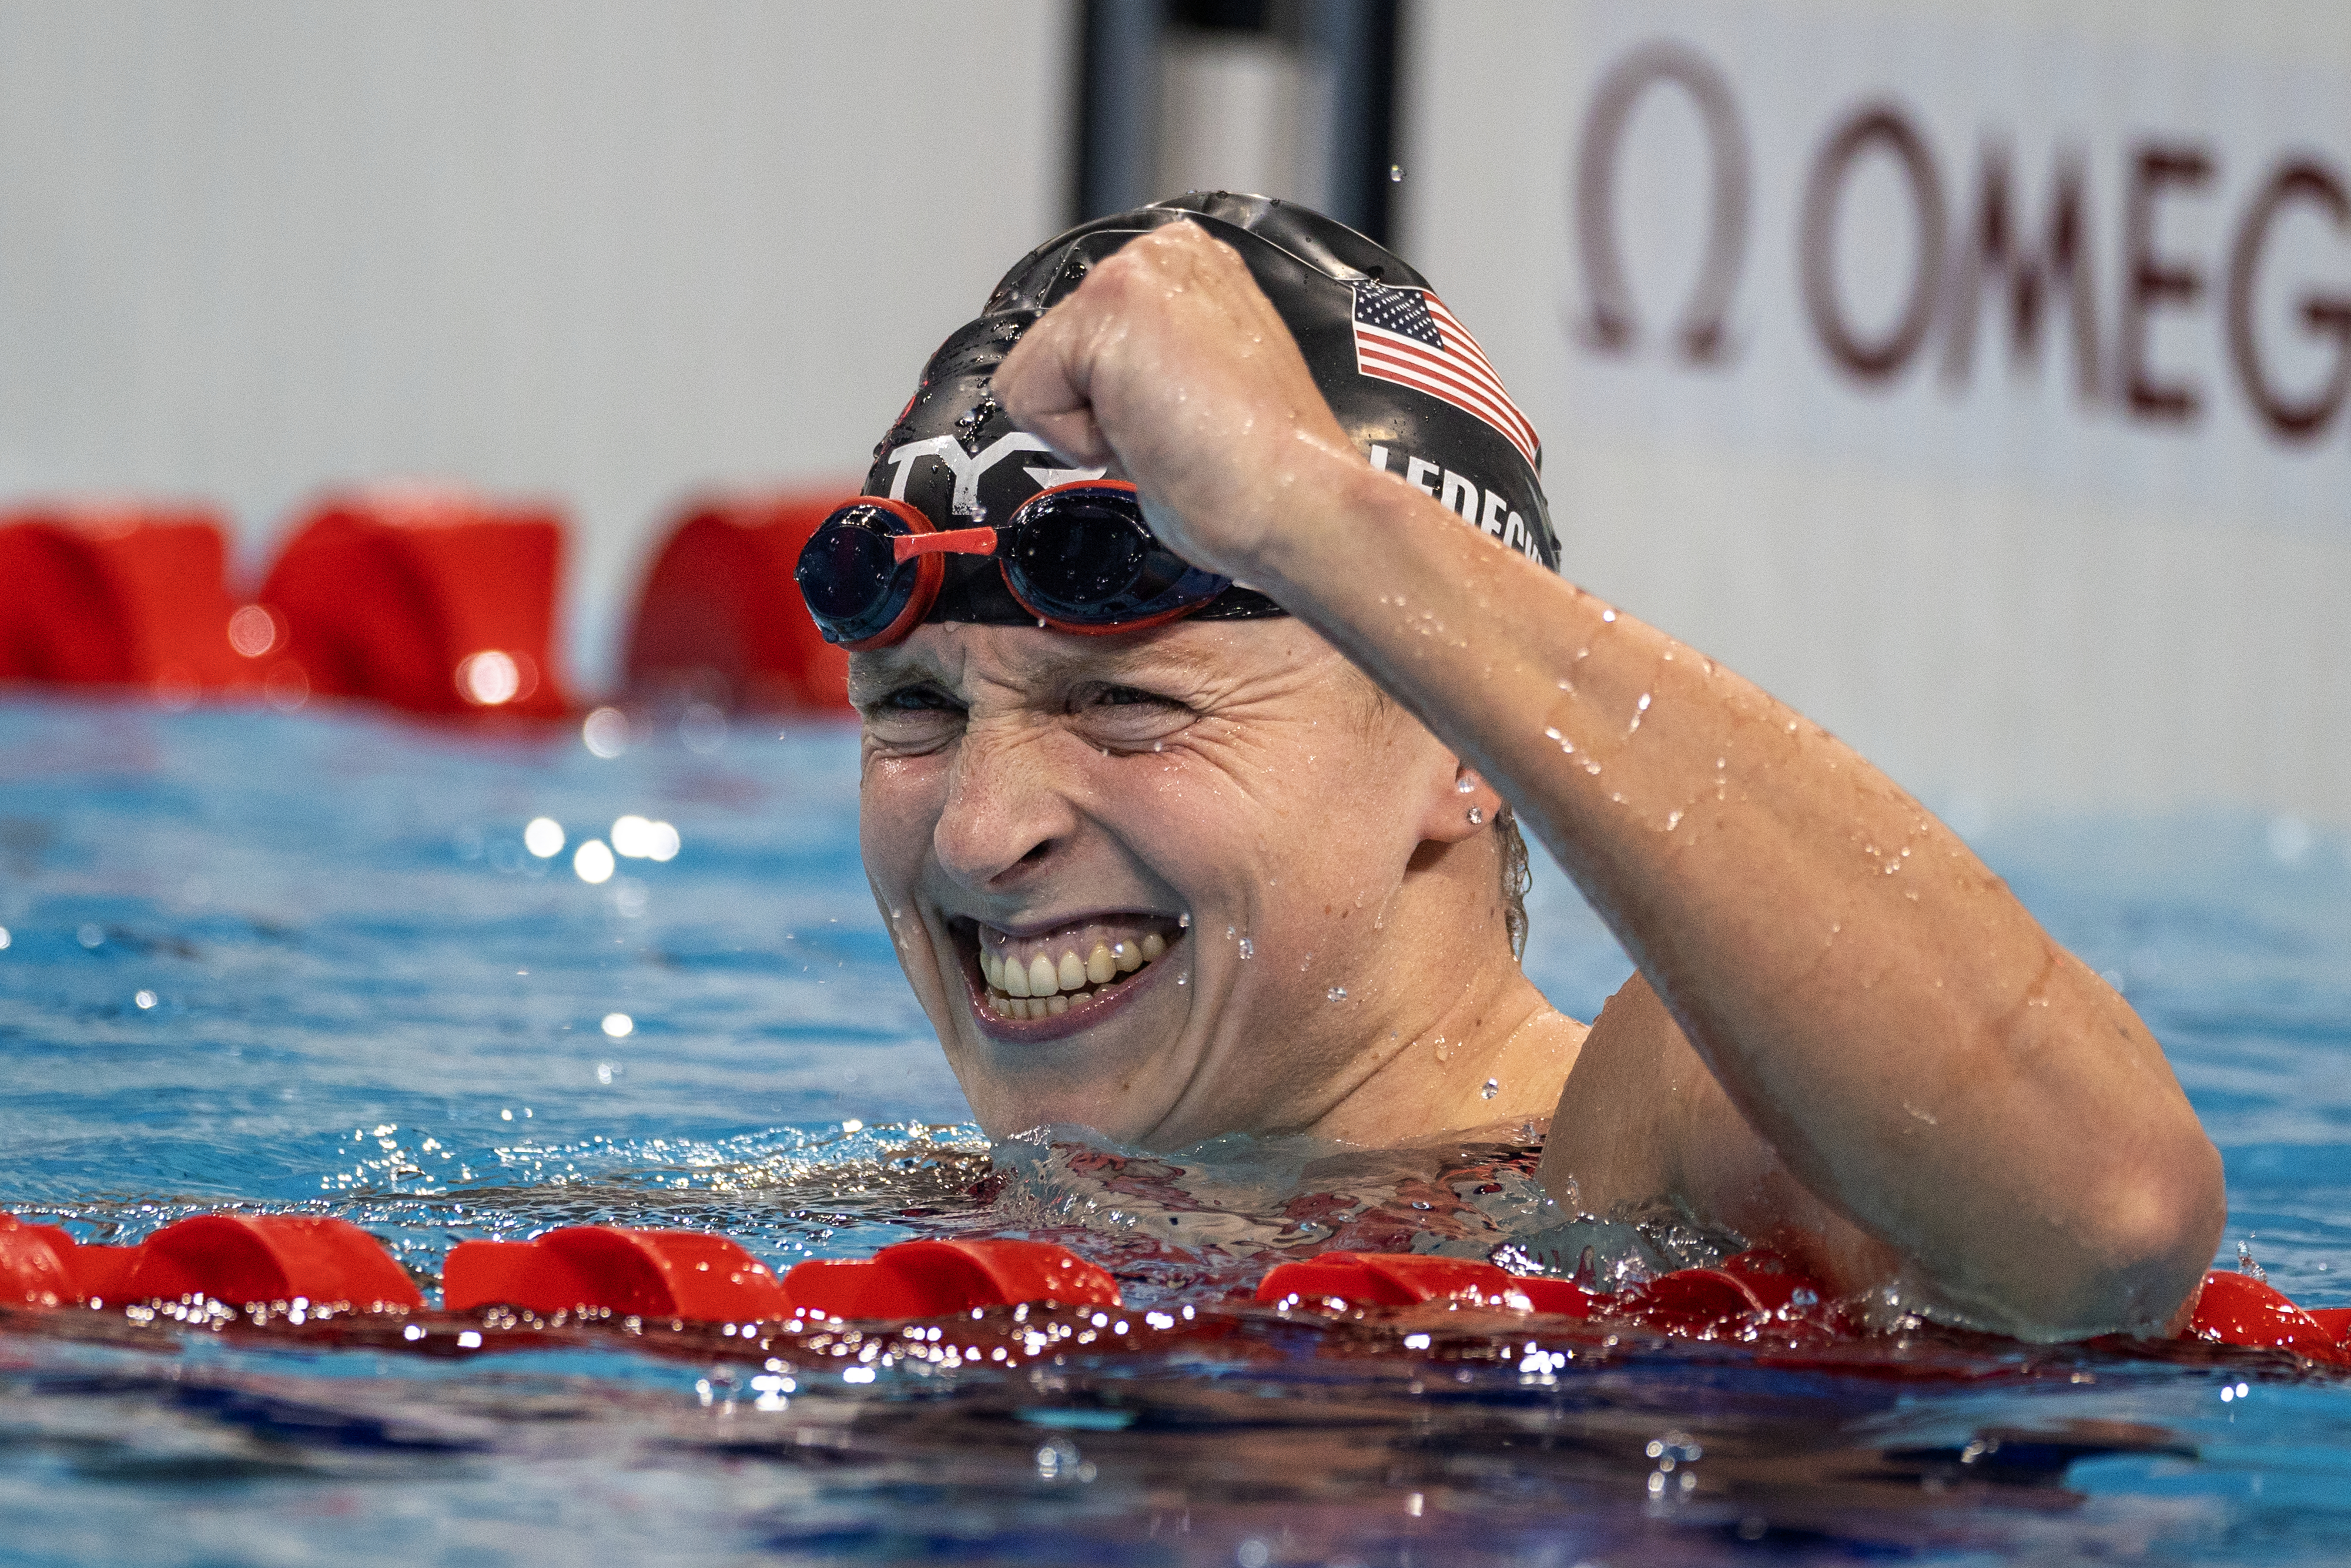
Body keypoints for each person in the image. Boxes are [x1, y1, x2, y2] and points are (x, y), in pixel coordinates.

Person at [797, 193, 2224, 1341]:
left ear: (1457, 742)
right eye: (915, 710)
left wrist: (1314, 519)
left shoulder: (1650, 1141)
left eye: (1122, 701)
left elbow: (2106, 1221)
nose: (979, 833)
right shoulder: (916, 1213)